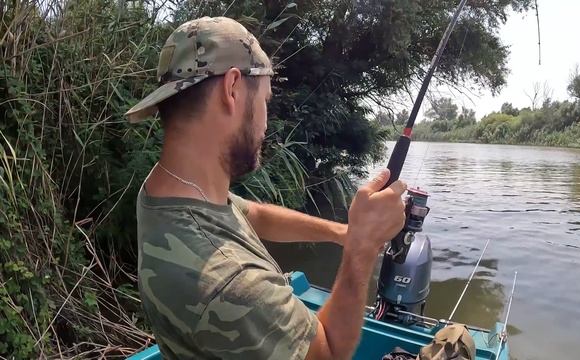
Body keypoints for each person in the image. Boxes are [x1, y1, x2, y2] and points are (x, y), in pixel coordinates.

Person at [126, 16, 406, 360]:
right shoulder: (233, 284)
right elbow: (330, 352)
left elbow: (251, 214)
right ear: (232, 89)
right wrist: (362, 248)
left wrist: (343, 232)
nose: (265, 121)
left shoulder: (164, 190)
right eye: (265, 101)